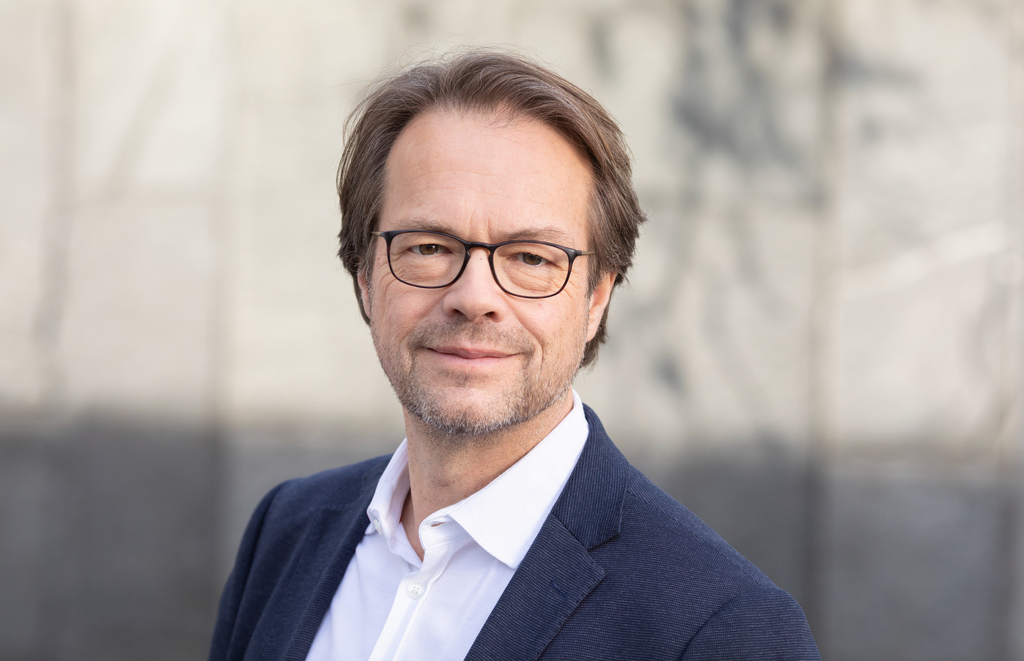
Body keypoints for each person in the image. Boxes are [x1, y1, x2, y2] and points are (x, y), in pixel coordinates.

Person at [208, 49, 820, 660]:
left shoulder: (721, 626)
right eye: (428, 247)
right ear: (365, 276)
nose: (475, 298)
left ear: (596, 298)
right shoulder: (286, 533)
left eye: (531, 257)